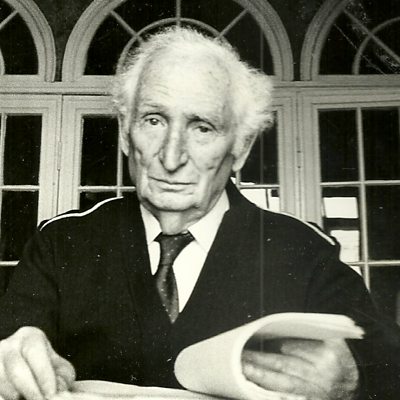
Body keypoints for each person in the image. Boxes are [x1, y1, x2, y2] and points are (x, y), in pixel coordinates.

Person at [0, 27, 399, 400]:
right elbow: (11, 342)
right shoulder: (62, 242)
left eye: (202, 128)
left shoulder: (303, 251)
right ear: (125, 132)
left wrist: (355, 376)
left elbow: (386, 361)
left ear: (240, 147)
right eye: (154, 120)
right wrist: (9, 356)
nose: (171, 157)